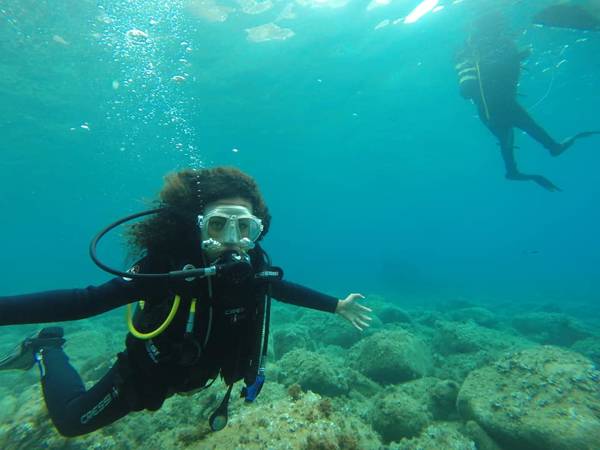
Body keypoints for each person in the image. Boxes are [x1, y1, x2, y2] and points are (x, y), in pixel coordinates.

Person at [0, 166, 372, 437]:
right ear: (196, 225)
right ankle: (46, 347)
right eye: (218, 224)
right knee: (70, 421)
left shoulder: (253, 262)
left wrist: (336, 305)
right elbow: (86, 301)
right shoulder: (166, 266)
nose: (233, 239)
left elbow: (279, 288)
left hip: (200, 373)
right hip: (148, 377)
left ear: (258, 228)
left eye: (245, 228)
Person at [455, 11, 599, 191]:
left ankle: (514, 170)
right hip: (502, 103)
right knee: (528, 129)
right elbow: (497, 71)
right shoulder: (490, 46)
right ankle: (551, 148)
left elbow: (473, 84)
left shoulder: (471, 50)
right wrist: (516, 57)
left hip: (487, 110)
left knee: (506, 139)